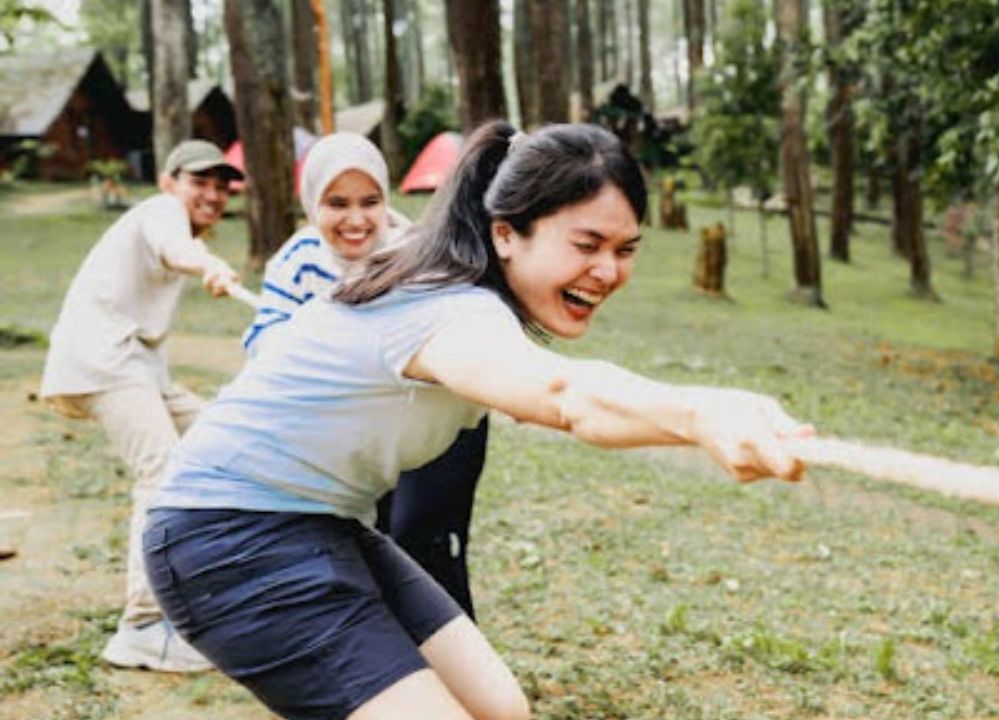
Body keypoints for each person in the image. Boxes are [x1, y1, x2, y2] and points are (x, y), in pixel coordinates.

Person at [144, 121, 811, 720]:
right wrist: (698, 411)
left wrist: (712, 420)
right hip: (224, 541)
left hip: (323, 525)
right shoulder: (447, 308)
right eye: (587, 243)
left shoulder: (465, 296)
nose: (608, 271)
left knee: (498, 708)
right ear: (504, 233)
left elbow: (567, 406)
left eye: (626, 249)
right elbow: (566, 396)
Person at [243, 132, 490, 617]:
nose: (356, 220)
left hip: (439, 423)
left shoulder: (420, 255)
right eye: (337, 203)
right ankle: (398, 663)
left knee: (423, 537)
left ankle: (461, 668)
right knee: (370, 543)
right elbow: (262, 346)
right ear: (312, 203)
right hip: (363, 431)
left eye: (369, 201)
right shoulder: (296, 264)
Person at [40, 139, 243, 673]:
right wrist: (209, 265)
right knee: (163, 470)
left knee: (221, 440)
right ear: (169, 182)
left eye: (222, 186)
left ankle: (204, 596)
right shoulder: (160, 213)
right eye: (200, 182)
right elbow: (177, 248)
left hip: (137, 366)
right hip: (105, 359)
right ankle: (142, 624)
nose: (213, 194)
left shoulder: (173, 224)